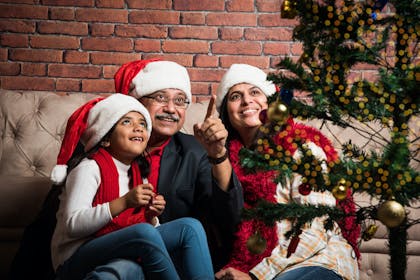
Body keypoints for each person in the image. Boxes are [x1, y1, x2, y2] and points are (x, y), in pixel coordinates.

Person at [199, 64, 360, 280]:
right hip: (261, 268)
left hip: (319, 260)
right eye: (235, 96)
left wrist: (256, 276)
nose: (247, 101)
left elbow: (315, 229)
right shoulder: (225, 162)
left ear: (270, 103)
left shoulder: (301, 148)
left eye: (255, 92)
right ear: (226, 112)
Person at [49, 94, 214, 280]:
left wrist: (151, 215)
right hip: (77, 255)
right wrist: (125, 202)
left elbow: (144, 229)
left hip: (119, 251)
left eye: (143, 124)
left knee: (189, 227)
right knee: (143, 233)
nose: (138, 128)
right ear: (105, 138)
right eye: (127, 122)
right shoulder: (89, 168)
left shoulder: (137, 172)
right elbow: (73, 224)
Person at [114, 59, 244, 270]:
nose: (171, 109)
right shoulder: (106, 142)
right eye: (160, 97)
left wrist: (218, 154)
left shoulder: (195, 151)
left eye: (181, 100)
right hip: (115, 255)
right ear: (137, 103)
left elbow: (230, 222)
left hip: (173, 263)